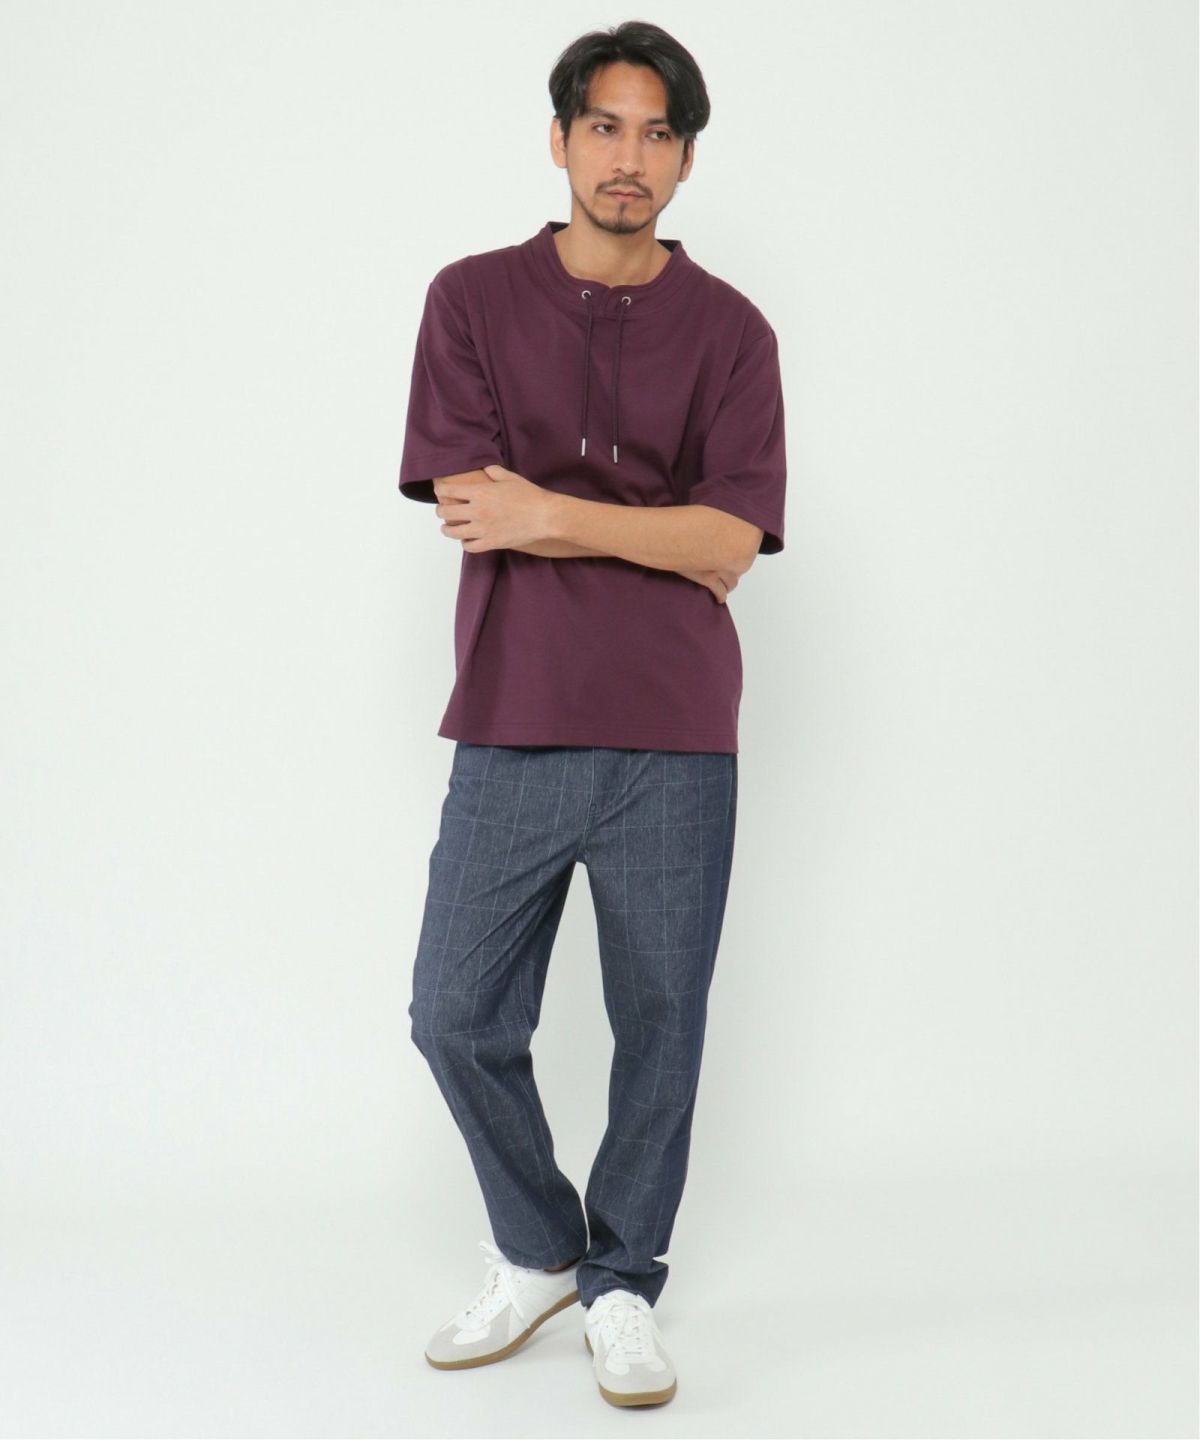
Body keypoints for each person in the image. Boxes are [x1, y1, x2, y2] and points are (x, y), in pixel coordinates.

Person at [396, 20, 787, 1409]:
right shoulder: (470, 300)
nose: (631, 158)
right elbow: (468, 503)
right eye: (607, 128)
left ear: (685, 158)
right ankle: (540, 1249)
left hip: (677, 729)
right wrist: (654, 531)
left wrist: (552, 513)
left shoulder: (733, 332)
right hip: (515, 711)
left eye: (659, 133)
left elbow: (732, 542)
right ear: (560, 139)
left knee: (662, 1023)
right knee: (453, 1013)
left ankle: (623, 1284)